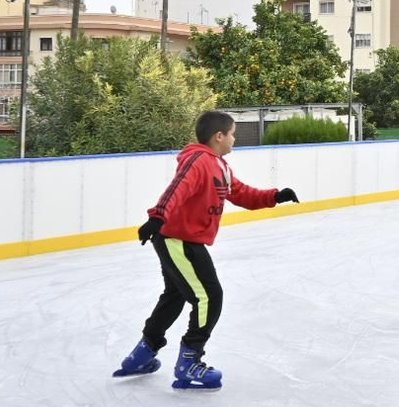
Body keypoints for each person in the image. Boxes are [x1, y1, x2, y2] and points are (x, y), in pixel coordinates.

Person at [113, 110, 299, 390]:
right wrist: (157, 216)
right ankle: (189, 361)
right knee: (209, 296)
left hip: (182, 239)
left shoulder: (220, 166)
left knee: (175, 295)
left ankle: (143, 354)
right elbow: (178, 187)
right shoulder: (199, 160)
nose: (235, 139)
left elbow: (242, 194)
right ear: (219, 136)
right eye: (233, 134)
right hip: (177, 239)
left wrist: (275, 196)